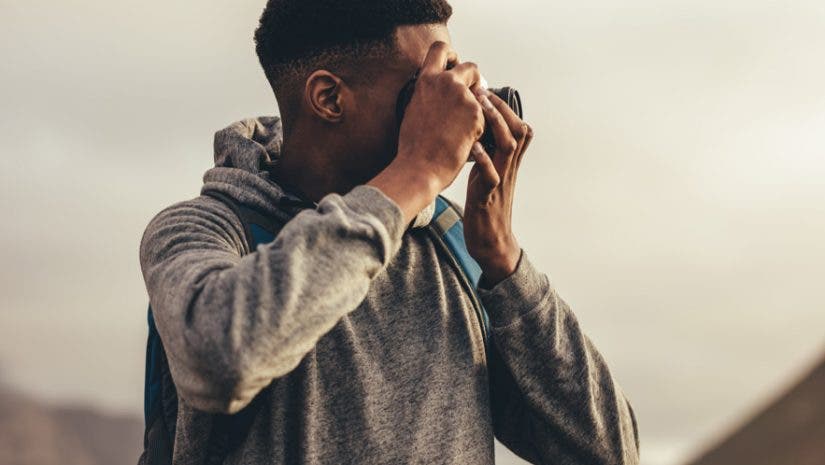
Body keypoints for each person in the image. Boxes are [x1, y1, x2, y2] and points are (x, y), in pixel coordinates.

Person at [138, 0, 641, 463]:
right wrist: (417, 172)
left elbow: (609, 452)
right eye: (422, 90)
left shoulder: (452, 242)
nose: (455, 109)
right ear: (329, 97)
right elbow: (220, 360)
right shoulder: (204, 231)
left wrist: (505, 262)